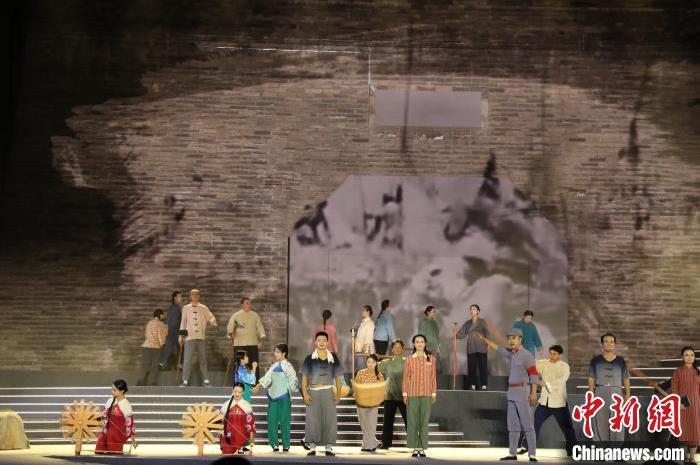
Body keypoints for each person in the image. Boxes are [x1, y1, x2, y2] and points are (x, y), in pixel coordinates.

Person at [476, 327, 539, 462]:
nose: (510, 341)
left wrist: (534, 393)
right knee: (513, 426)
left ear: (520, 339)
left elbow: (534, 374)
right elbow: (497, 347)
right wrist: (484, 339)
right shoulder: (510, 353)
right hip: (512, 392)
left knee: (528, 425)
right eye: (509, 338)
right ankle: (512, 453)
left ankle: (532, 454)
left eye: (513, 338)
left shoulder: (527, 355)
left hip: (524, 392)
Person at [517, 345, 576, 458]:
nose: (552, 356)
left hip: (559, 403)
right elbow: (532, 363)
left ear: (559, 355)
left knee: (568, 428)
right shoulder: (544, 363)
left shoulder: (564, 366)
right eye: (550, 353)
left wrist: (544, 384)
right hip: (544, 402)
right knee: (534, 424)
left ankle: (573, 449)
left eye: (554, 354)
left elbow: (560, 382)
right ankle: (526, 446)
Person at [300, 331, 344, 457]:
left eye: (324, 340)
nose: (322, 342)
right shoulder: (309, 358)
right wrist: (305, 394)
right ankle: (312, 447)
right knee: (312, 420)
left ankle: (328, 447)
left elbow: (338, 378)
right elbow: (304, 378)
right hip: (313, 393)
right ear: (315, 342)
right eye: (319, 340)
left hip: (328, 392)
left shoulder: (333, 358)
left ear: (328, 342)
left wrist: (338, 395)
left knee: (329, 420)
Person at [253, 343, 298, 452]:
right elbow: (266, 378)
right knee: (272, 420)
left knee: (284, 420)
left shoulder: (288, 366)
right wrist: (258, 385)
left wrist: (292, 388)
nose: (275, 354)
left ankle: (286, 444)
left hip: (284, 396)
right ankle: (274, 443)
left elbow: (294, 380)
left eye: (278, 352)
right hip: (273, 396)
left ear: (284, 353)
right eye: (275, 351)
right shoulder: (273, 366)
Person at [587, 333, 631, 442]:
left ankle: (616, 448)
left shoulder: (621, 361)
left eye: (611, 342)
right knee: (600, 420)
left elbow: (626, 379)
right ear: (602, 344)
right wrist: (591, 396)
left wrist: (628, 395)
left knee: (617, 419)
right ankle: (601, 448)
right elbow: (591, 379)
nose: (609, 344)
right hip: (600, 391)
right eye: (606, 341)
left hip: (617, 392)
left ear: (614, 344)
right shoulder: (595, 360)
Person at [403, 334, 437, 458]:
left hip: (427, 394)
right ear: (414, 344)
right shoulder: (409, 359)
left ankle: (422, 447)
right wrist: (405, 394)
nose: (419, 344)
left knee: (424, 421)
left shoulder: (431, 359)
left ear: (425, 343)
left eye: (422, 341)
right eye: (417, 342)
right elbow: (406, 378)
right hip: (412, 393)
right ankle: (415, 447)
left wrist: (433, 393)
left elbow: (433, 377)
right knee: (413, 421)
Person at [179, 289, 218, 387]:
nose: (195, 295)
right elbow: (183, 322)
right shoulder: (186, 308)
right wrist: (181, 337)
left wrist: (213, 322)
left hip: (201, 336)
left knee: (203, 359)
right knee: (187, 359)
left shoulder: (203, 308)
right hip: (189, 337)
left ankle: (206, 380)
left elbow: (211, 317)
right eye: (193, 294)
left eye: (197, 294)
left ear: (199, 296)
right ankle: (185, 381)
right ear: (190, 296)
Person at [671, 346, 699, 464]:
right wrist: (678, 403)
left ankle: (692, 458)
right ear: (682, 357)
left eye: (692, 355)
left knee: (695, 432)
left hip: (696, 406)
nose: (689, 357)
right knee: (683, 432)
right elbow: (674, 389)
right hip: (682, 406)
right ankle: (685, 458)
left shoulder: (698, 372)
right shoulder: (678, 371)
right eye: (686, 355)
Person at [227, 297, 266, 380]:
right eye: (247, 303)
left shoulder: (255, 315)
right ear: (242, 304)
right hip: (239, 345)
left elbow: (260, 328)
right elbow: (230, 328)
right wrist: (231, 335)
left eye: (250, 303)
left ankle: (255, 383)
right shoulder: (236, 315)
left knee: (254, 364)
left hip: (252, 344)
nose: (249, 305)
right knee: (239, 365)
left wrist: (262, 340)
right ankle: (239, 383)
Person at [378, 339, 407, 449]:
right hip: (389, 395)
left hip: (404, 395)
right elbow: (373, 366)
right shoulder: (387, 362)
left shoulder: (407, 362)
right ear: (392, 349)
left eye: (399, 347)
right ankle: (385, 443)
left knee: (409, 420)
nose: (397, 349)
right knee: (387, 421)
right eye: (395, 347)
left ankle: (413, 442)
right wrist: (375, 357)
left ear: (403, 349)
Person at [95, 379, 136, 454]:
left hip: (118, 432)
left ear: (122, 391)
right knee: (99, 449)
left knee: (113, 450)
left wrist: (132, 438)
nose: (112, 392)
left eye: (114, 390)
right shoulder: (110, 400)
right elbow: (104, 413)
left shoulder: (126, 404)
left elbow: (129, 422)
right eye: (112, 389)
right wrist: (98, 416)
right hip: (107, 429)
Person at [355, 354, 385, 452]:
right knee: (364, 424)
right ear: (366, 362)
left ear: (376, 363)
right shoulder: (360, 373)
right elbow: (356, 386)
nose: (370, 364)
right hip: (361, 402)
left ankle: (368, 446)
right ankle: (372, 443)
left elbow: (382, 390)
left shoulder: (379, 375)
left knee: (371, 424)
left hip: (373, 403)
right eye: (368, 362)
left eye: (373, 362)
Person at [456, 304, 489, 390]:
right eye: (471, 309)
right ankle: (472, 384)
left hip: (481, 347)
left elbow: (487, 334)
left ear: (478, 311)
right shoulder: (467, 323)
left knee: (483, 367)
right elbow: (461, 334)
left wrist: (488, 344)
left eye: (474, 309)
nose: (472, 311)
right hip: (471, 347)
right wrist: (456, 333)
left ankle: (484, 384)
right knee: (471, 367)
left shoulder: (482, 322)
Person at [220, 383, 255, 455]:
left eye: (239, 392)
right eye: (235, 391)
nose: (237, 394)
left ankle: (240, 447)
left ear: (243, 393)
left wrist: (251, 437)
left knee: (238, 427)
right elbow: (220, 420)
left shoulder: (246, 405)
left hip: (241, 433)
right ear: (232, 391)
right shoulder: (226, 404)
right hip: (228, 435)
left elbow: (250, 423)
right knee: (226, 453)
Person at [138, 309, 167, 386]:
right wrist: (162, 344)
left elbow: (146, 334)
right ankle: (152, 382)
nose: (163, 317)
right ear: (160, 315)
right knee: (154, 366)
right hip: (155, 347)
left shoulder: (149, 323)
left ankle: (141, 381)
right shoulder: (161, 324)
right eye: (162, 315)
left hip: (146, 346)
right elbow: (161, 336)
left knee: (144, 365)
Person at [159, 290, 183, 369]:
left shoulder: (173, 308)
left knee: (174, 348)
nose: (181, 298)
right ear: (175, 298)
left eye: (181, 296)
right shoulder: (175, 308)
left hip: (171, 331)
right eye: (179, 296)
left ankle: (164, 363)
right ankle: (162, 363)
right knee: (175, 348)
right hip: (173, 332)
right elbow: (174, 322)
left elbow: (168, 320)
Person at [418, 306, 440, 373]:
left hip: (434, 347)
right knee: (426, 366)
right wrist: (422, 347)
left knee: (432, 366)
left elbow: (437, 335)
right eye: (433, 312)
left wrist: (438, 344)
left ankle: (431, 379)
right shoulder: (424, 322)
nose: (434, 313)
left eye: (435, 312)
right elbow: (421, 335)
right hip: (427, 347)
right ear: (428, 312)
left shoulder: (434, 323)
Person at [354, 305, 375, 372]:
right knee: (360, 369)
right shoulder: (363, 323)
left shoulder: (370, 323)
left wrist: (365, 345)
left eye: (363, 310)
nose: (362, 312)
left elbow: (369, 336)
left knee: (363, 369)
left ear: (368, 312)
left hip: (365, 350)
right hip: (360, 350)